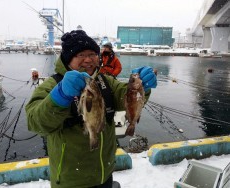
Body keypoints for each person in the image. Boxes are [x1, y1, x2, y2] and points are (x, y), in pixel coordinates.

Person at [25, 30, 157, 188]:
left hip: (105, 173)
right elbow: (35, 122)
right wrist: (59, 96)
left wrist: (141, 86)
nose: (88, 59)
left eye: (92, 54)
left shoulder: (106, 81)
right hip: (71, 181)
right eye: (80, 55)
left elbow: (126, 98)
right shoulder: (52, 85)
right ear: (68, 59)